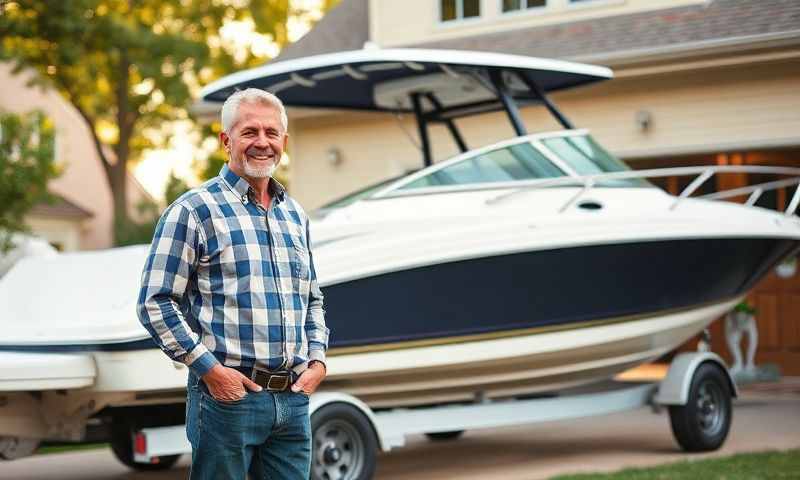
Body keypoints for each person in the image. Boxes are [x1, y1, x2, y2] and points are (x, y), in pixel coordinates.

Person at [137, 88, 329, 479]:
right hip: (227, 399)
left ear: (284, 142)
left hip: (292, 401)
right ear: (227, 141)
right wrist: (209, 369)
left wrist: (318, 360)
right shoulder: (193, 211)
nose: (262, 142)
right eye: (250, 132)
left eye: (272, 133)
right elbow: (155, 302)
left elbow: (312, 299)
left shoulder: (294, 215)